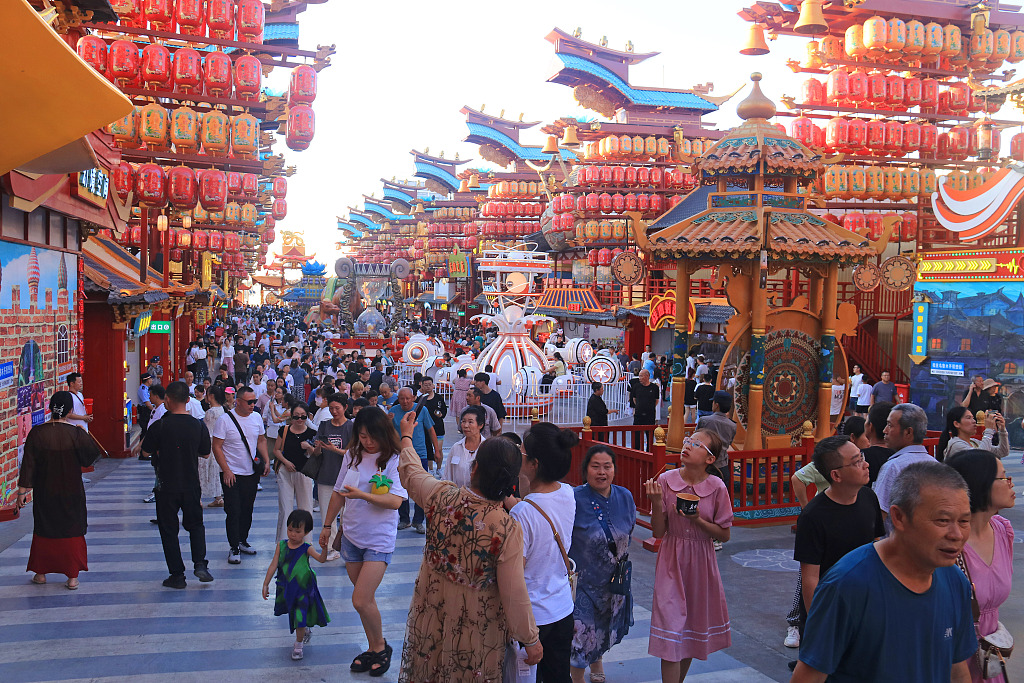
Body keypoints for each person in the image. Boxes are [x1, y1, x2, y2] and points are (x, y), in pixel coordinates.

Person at [790, 462, 976, 682]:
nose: (956, 534)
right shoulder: (847, 585)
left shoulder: (955, 581)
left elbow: (957, 668)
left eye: (964, 521)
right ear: (899, 517)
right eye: (942, 520)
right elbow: (809, 677)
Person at [396, 412, 542, 680]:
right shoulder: (506, 527)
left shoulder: (440, 496)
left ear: (474, 469)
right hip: (477, 632)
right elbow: (514, 593)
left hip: (430, 615)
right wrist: (530, 639)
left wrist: (406, 436)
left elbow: (412, 473)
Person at [319, 408, 408, 677]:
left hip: (378, 540)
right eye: (362, 436)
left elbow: (395, 501)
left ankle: (380, 647)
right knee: (365, 600)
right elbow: (338, 493)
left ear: (383, 433)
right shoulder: (352, 455)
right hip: (351, 537)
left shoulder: (393, 458)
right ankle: (373, 648)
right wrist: (326, 525)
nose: (367, 442)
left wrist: (362, 495)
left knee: (360, 599)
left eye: (372, 436)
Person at [644, 429, 732, 681]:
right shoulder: (666, 480)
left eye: (696, 444)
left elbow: (724, 535)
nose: (687, 446)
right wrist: (657, 503)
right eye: (687, 441)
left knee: (691, 628)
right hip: (672, 558)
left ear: (710, 459)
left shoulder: (716, 487)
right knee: (671, 627)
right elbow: (659, 531)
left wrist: (698, 520)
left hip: (701, 560)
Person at [790, 436, 884, 650]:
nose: (866, 464)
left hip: (864, 603)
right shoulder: (813, 516)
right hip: (830, 606)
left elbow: (877, 547)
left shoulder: (869, 498)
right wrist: (819, 622)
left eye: (862, 457)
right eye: (857, 461)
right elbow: (810, 578)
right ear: (836, 475)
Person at [508, 422, 579, 682]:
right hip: (561, 607)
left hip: (533, 616)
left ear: (534, 463)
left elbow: (516, 575)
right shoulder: (568, 493)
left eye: (522, 453)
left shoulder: (521, 514)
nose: (519, 456)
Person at [16, 392, 103, 590]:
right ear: (70, 411)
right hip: (71, 492)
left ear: (50, 409)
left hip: (45, 492)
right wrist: (84, 433)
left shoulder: (37, 433)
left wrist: (22, 493)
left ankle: (41, 573)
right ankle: (72, 577)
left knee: (45, 528)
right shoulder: (76, 433)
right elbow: (90, 458)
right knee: (72, 529)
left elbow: (28, 466)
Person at [945, 449, 1016, 683]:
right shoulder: (949, 542)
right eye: (1004, 477)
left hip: (989, 657)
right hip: (953, 658)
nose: (1010, 483)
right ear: (981, 483)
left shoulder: (1002, 530)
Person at [569, 445, 636, 683]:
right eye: (595, 466)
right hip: (584, 583)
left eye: (607, 466)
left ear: (614, 469)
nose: (601, 472)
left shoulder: (625, 497)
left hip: (613, 581)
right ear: (585, 469)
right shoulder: (574, 498)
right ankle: (576, 679)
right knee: (581, 636)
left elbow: (628, 532)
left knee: (603, 630)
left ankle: (597, 662)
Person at [141, 381, 214, 588]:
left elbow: (145, 452)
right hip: (191, 483)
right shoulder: (198, 425)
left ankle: (177, 575)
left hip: (166, 486)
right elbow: (206, 452)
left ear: (167, 400)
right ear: (188, 400)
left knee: (168, 530)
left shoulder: (160, 425)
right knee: (196, 526)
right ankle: (200, 563)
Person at [212, 386, 271, 565]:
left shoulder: (256, 418)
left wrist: (267, 460)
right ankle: (233, 546)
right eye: (249, 402)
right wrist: (226, 470)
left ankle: (242, 540)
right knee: (233, 510)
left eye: (254, 401)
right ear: (237, 401)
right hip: (232, 474)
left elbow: (261, 440)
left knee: (247, 509)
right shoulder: (225, 420)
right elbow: (216, 447)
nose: (253, 405)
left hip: (250, 473)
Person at [262, 509, 330, 661]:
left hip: (303, 590)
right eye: (290, 529)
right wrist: (266, 583)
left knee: (299, 615)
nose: (293, 534)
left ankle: (298, 645)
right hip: (287, 588)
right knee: (295, 614)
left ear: (307, 532)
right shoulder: (281, 545)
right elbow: (274, 565)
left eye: (298, 531)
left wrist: (325, 549)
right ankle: (304, 630)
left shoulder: (306, 548)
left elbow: (321, 559)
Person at [873, 403, 935, 533]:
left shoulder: (893, 467)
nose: (885, 430)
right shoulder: (936, 465)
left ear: (908, 432)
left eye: (890, 425)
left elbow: (879, 517)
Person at [391, 387, 440, 532]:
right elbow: (387, 431)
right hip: (399, 454)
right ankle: (404, 519)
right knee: (400, 487)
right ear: (398, 399)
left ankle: (418, 521)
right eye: (401, 398)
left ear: (413, 398)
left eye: (408, 398)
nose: (405, 401)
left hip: (420, 454)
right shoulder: (393, 411)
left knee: (421, 488)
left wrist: (437, 450)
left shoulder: (422, 410)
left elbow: (431, 430)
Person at [314, 393, 352, 560]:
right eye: (331, 408)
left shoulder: (351, 427)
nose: (334, 411)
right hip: (326, 474)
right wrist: (317, 447)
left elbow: (353, 453)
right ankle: (330, 548)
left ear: (345, 408)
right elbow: (317, 451)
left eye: (337, 408)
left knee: (347, 515)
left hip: (346, 477)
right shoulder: (324, 425)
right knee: (327, 514)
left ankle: (346, 547)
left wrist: (334, 449)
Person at [273, 403, 317, 543]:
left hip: (304, 473)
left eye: (303, 416)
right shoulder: (284, 430)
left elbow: (317, 454)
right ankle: (283, 542)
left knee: (306, 508)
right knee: (285, 508)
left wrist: (309, 447)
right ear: (291, 416)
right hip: (285, 472)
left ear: (307, 417)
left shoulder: (312, 433)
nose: (299, 419)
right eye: (296, 416)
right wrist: (285, 462)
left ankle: (306, 542)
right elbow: (276, 450)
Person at [938, 405, 1009, 463]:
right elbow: (979, 458)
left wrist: (1002, 430)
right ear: (957, 424)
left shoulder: (973, 442)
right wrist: (989, 430)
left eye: (973, 418)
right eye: (968, 418)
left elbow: (1002, 452)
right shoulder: (956, 444)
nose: (974, 421)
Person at [697, 390, 736, 487]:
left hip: (705, 466)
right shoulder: (732, 425)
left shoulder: (705, 421)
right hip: (722, 466)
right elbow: (730, 441)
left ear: (716, 405)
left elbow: (695, 440)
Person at [441, 406, 485, 489]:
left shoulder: (487, 448)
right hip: (457, 497)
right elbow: (447, 476)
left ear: (480, 425)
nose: (465, 425)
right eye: (463, 421)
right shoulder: (456, 447)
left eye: (470, 422)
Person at [201, 387, 226, 508]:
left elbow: (206, 430)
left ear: (211, 396)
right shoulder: (222, 410)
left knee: (205, 470)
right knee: (216, 469)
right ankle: (219, 497)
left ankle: (200, 498)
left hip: (210, 444)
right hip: (220, 444)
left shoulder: (210, 412)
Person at [419, 377, 447, 467]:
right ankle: (430, 469)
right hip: (425, 429)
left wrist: (441, 414)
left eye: (429, 385)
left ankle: (439, 468)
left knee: (438, 449)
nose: (428, 387)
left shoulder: (438, 397)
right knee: (428, 450)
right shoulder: (420, 399)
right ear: (422, 386)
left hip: (438, 427)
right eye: (425, 385)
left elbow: (444, 410)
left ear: (433, 385)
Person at [629, 369, 660, 451]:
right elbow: (634, 399)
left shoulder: (654, 388)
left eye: (641, 376)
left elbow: (656, 400)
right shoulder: (636, 386)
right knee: (636, 434)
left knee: (649, 434)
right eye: (639, 376)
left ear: (647, 376)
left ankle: (649, 451)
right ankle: (636, 450)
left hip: (650, 415)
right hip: (638, 414)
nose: (639, 378)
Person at [137, 372, 155, 441]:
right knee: (145, 431)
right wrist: (154, 411)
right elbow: (147, 403)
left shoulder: (147, 388)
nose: (152, 380)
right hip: (145, 412)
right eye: (151, 379)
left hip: (147, 411)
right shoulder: (143, 390)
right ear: (148, 380)